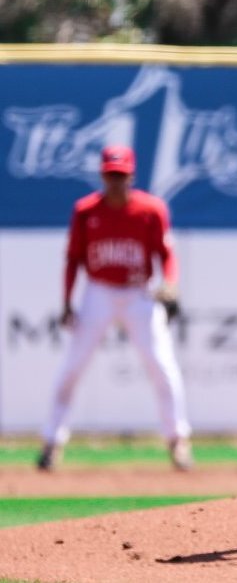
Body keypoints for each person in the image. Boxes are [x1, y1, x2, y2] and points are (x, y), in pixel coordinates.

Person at [37, 145, 193, 472]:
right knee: (72, 368)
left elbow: (167, 254)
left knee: (163, 367)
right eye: (111, 175)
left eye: (121, 176)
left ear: (132, 176)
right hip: (99, 292)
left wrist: (171, 282)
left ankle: (178, 441)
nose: (116, 182)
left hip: (139, 292)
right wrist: (66, 302)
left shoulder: (151, 210)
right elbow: (73, 260)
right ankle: (52, 442)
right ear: (102, 175)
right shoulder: (86, 211)